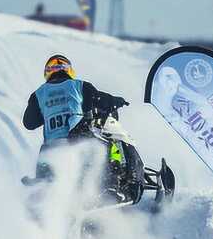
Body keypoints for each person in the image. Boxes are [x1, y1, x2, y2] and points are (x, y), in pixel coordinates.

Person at [22, 54, 143, 203]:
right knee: (114, 144)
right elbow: (99, 99)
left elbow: (29, 123)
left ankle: (42, 190)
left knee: (46, 165)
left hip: (52, 147)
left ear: (48, 72)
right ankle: (115, 183)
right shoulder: (78, 86)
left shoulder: (39, 94)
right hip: (79, 137)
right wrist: (116, 101)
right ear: (69, 70)